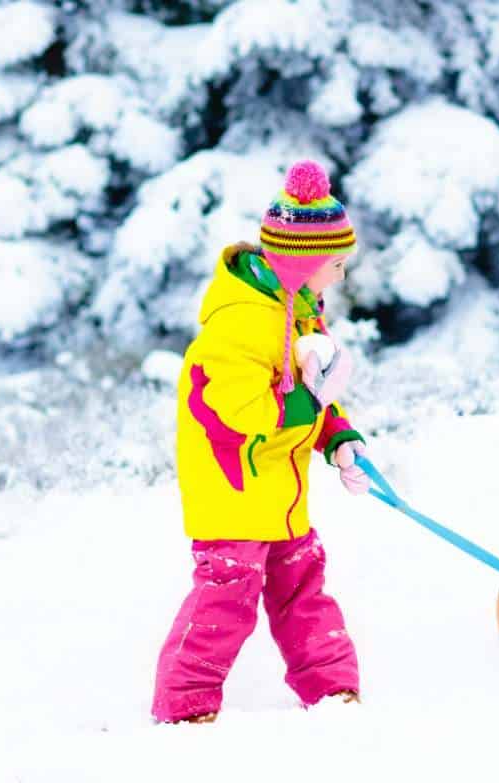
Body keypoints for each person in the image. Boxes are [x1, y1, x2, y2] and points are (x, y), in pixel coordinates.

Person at [151, 160, 370, 723]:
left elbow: (309, 393)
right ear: (303, 262)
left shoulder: (298, 315)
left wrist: (337, 436)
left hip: (282, 492)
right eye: (336, 264)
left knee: (304, 588)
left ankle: (333, 691)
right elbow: (244, 410)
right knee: (226, 598)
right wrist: (316, 403)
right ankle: (184, 705)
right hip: (234, 487)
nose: (341, 277)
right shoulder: (241, 324)